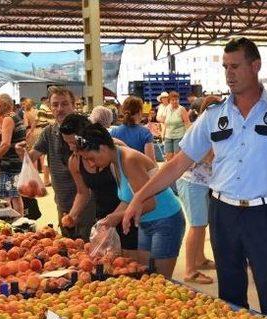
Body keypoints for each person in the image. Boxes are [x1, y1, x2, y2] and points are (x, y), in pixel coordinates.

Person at [122, 37, 267, 319]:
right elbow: (178, 164)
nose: (229, 74)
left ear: (255, 65)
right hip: (223, 213)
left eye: (235, 66)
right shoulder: (214, 115)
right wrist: (140, 196)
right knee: (230, 296)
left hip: (266, 214)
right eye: (225, 67)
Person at [71, 121, 184, 278]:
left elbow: (149, 203)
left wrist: (118, 217)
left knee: (160, 281)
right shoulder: (113, 161)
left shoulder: (129, 159)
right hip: (145, 223)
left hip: (166, 221)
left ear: (103, 148)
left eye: (90, 158)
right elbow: (129, 199)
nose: (91, 164)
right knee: (144, 276)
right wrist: (110, 219)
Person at [16, 86, 97, 240]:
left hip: (87, 202)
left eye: (65, 104)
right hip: (62, 201)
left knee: (86, 246)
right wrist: (22, 153)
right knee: (68, 247)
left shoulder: (86, 129)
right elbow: (31, 157)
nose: (60, 109)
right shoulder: (49, 132)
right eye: (55, 105)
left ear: (74, 105)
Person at [60, 114, 140, 259]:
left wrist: (118, 216)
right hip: (104, 218)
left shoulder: (113, 149)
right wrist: (72, 215)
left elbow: (134, 188)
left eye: (73, 142)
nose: (71, 147)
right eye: (67, 142)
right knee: (106, 263)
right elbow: (82, 193)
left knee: (130, 264)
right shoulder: (74, 161)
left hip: (129, 214)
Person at [176, 95, 222, 285]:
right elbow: (205, 157)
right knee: (196, 225)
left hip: (201, 183)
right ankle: (189, 270)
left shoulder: (211, 127)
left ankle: (200, 259)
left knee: (202, 223)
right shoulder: (201, 128)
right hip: (192, 181)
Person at [0, 93, 24, 214]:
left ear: (4, 104)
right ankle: (20, 222)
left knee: (5, 198)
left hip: (9, 165)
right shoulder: (16, 116)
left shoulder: (8, 119)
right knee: (16, 196)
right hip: (16, 163)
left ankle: (9, 224)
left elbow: (5, 144)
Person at [110, 96, 156, 162]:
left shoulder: (113, 132)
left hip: (119, 171)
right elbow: (151, 163)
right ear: (140, 112)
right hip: (139, 171)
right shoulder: (145, 133)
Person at [162, 91, 191, 161]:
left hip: (179, 136)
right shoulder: (167, 108)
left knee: (177, 157)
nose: (175, 101)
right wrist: (163, 134)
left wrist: (188, 136)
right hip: (168, 136)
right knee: (168, 156)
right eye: (173, 100)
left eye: (177, 100)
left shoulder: (182, 109)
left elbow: (187, 123)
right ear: (169, 101)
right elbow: (165, 122)